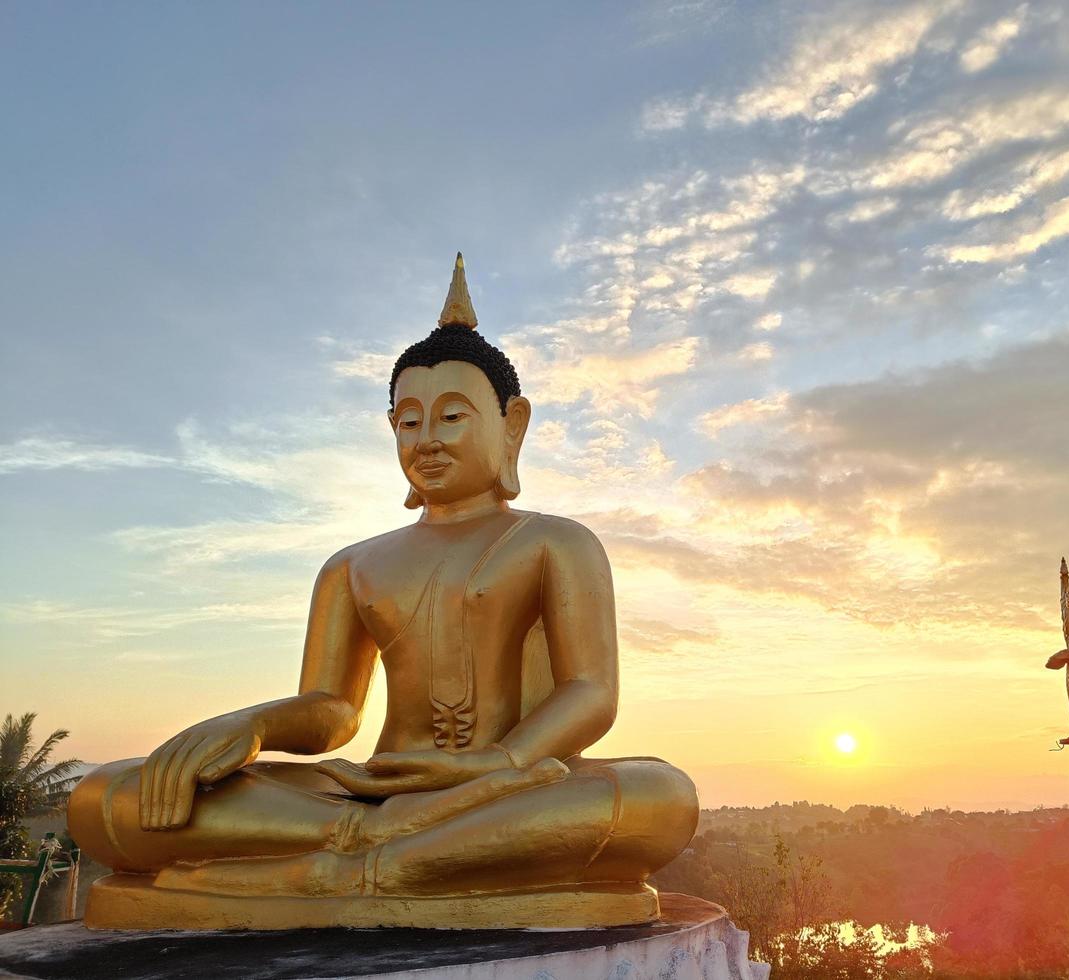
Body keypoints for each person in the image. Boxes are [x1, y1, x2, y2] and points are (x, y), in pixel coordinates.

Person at [68, 255, 699, 929]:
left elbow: (591, 693)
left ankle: (337, 872)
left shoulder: (556, 543)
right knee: (108, 795)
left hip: (507, 785)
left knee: (659, 796)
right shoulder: (353, 565)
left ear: (511, 424)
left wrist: (498, 762)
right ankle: (377, 852)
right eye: (407, 422)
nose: (425, 440)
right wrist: (248, 728)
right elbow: (333, 709)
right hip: (372, 792)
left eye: (451, 417)